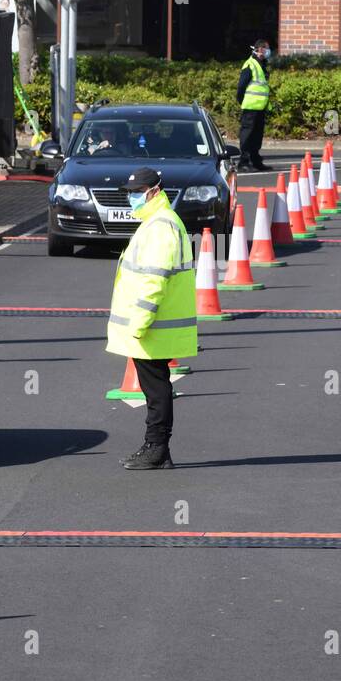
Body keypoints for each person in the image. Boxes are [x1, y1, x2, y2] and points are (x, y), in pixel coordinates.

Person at [105, 167, 198, 470]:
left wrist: (139, 323)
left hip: (152, 326)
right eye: (130, 192)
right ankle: (157, 449)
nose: (132, 197)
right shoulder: (156, 222)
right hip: (154, 325)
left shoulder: (160, 227)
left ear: (154, 191)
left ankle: (156, 448)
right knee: (154, 387)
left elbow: (154, 280)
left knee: (156, 389)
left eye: (137, 192)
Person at [235, 39, 272, 171]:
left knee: (257, 136)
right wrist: (242, 101)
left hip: (260, 108)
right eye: (266, 48)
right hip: (250, 107)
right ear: (260, 49)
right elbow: (241, 87)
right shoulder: (250, 64)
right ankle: (243, 162)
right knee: (247, 135)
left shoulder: (261, 64)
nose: (268, 51)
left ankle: (256, 161)